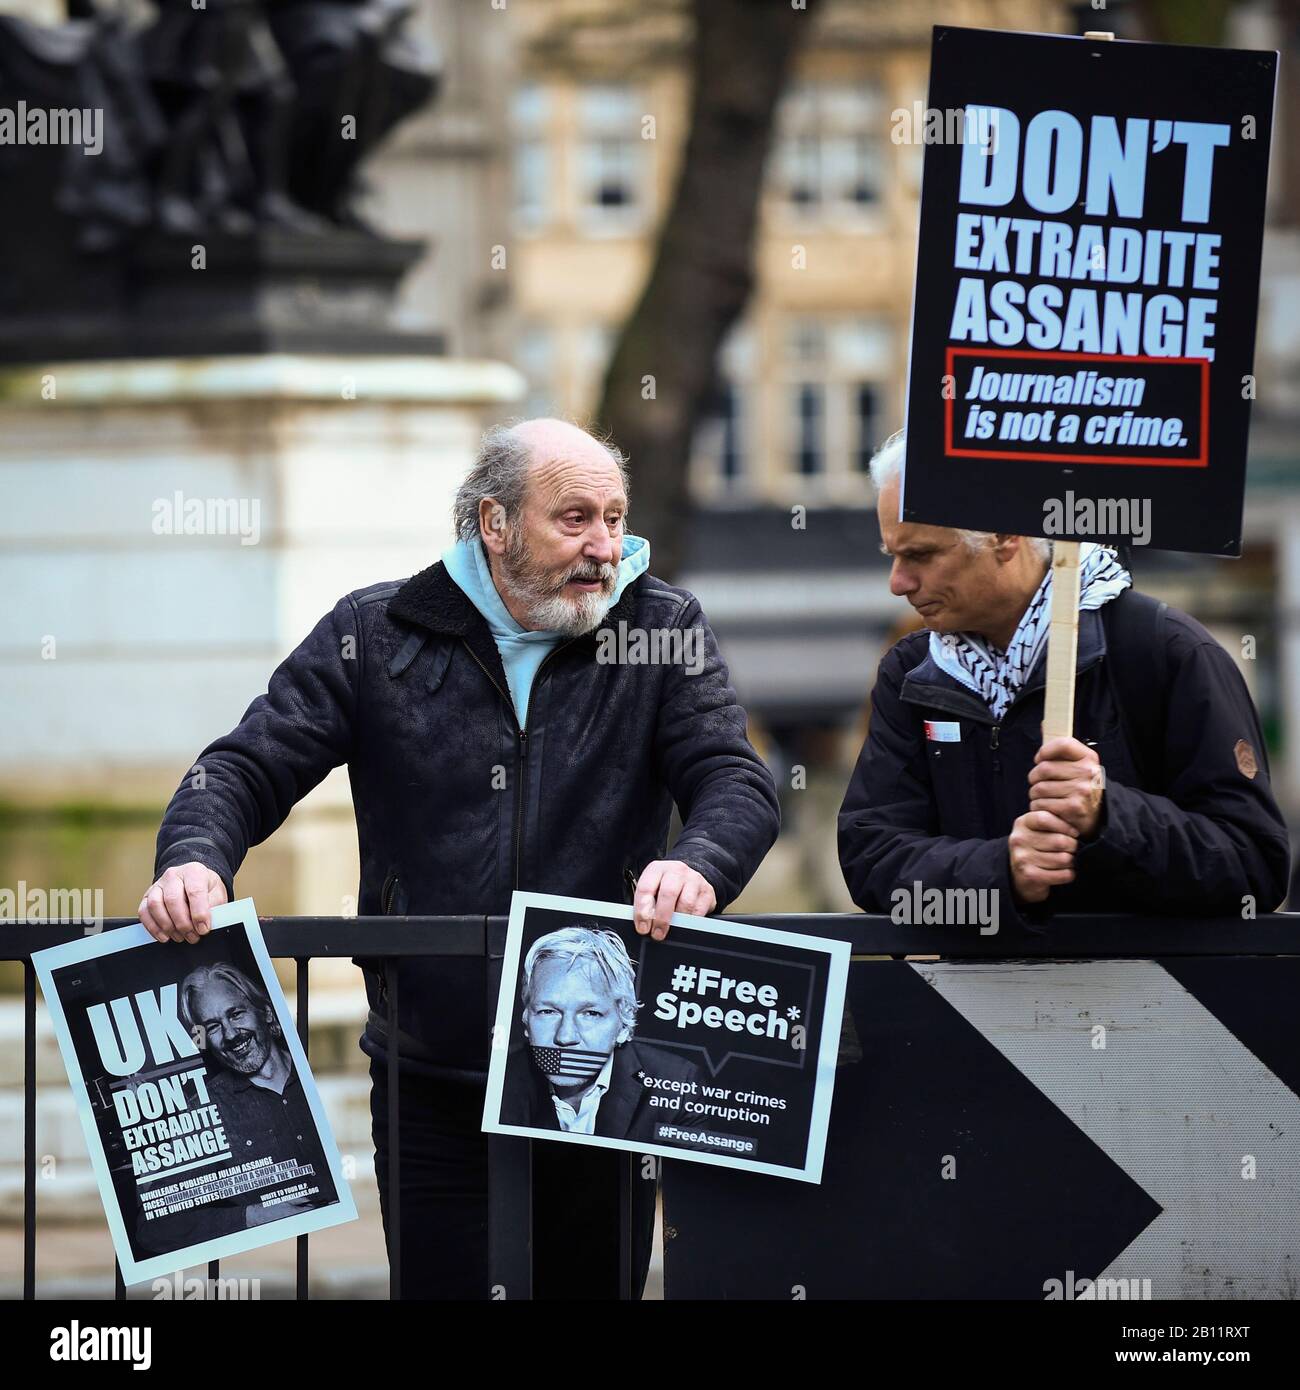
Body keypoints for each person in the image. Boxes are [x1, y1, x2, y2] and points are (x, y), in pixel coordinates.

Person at [137, 417, 780, 1298]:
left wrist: (699, 860)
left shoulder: (662, 625)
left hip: (593, 1079)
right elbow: (246, 764)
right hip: (429, 1072)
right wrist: (195, 860)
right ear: (495, 524)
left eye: (615, 518)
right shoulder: (377, 629)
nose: (605, 546)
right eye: (576, 519)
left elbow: (734, 781)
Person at [838, 429, 1290, 930]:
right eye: (893, 556)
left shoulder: (1165, 651)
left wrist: (1109, 815)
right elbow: (872, 856)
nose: (898, 583)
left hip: (1157, 1006)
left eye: (920, 555)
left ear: (1006, 536)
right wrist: (1002, 873)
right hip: (977, 1004)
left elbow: (1254, 868)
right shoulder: (913, 671)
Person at [137, 963, 328, 1254]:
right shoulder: (206, 1109)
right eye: (212, 1026)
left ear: (265, 1012)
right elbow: (153, 1228)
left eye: (236, 1013)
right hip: (273, 1261)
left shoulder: (321, 1071)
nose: (230, 1034)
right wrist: (255, 1216)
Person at [501, 924, 701, 1142]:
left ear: (624, 1026)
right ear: (526, 1019)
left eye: (590, 1013)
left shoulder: (678, 1084)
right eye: (548, 1011)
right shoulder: (501, 1081)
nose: (565, 1037)